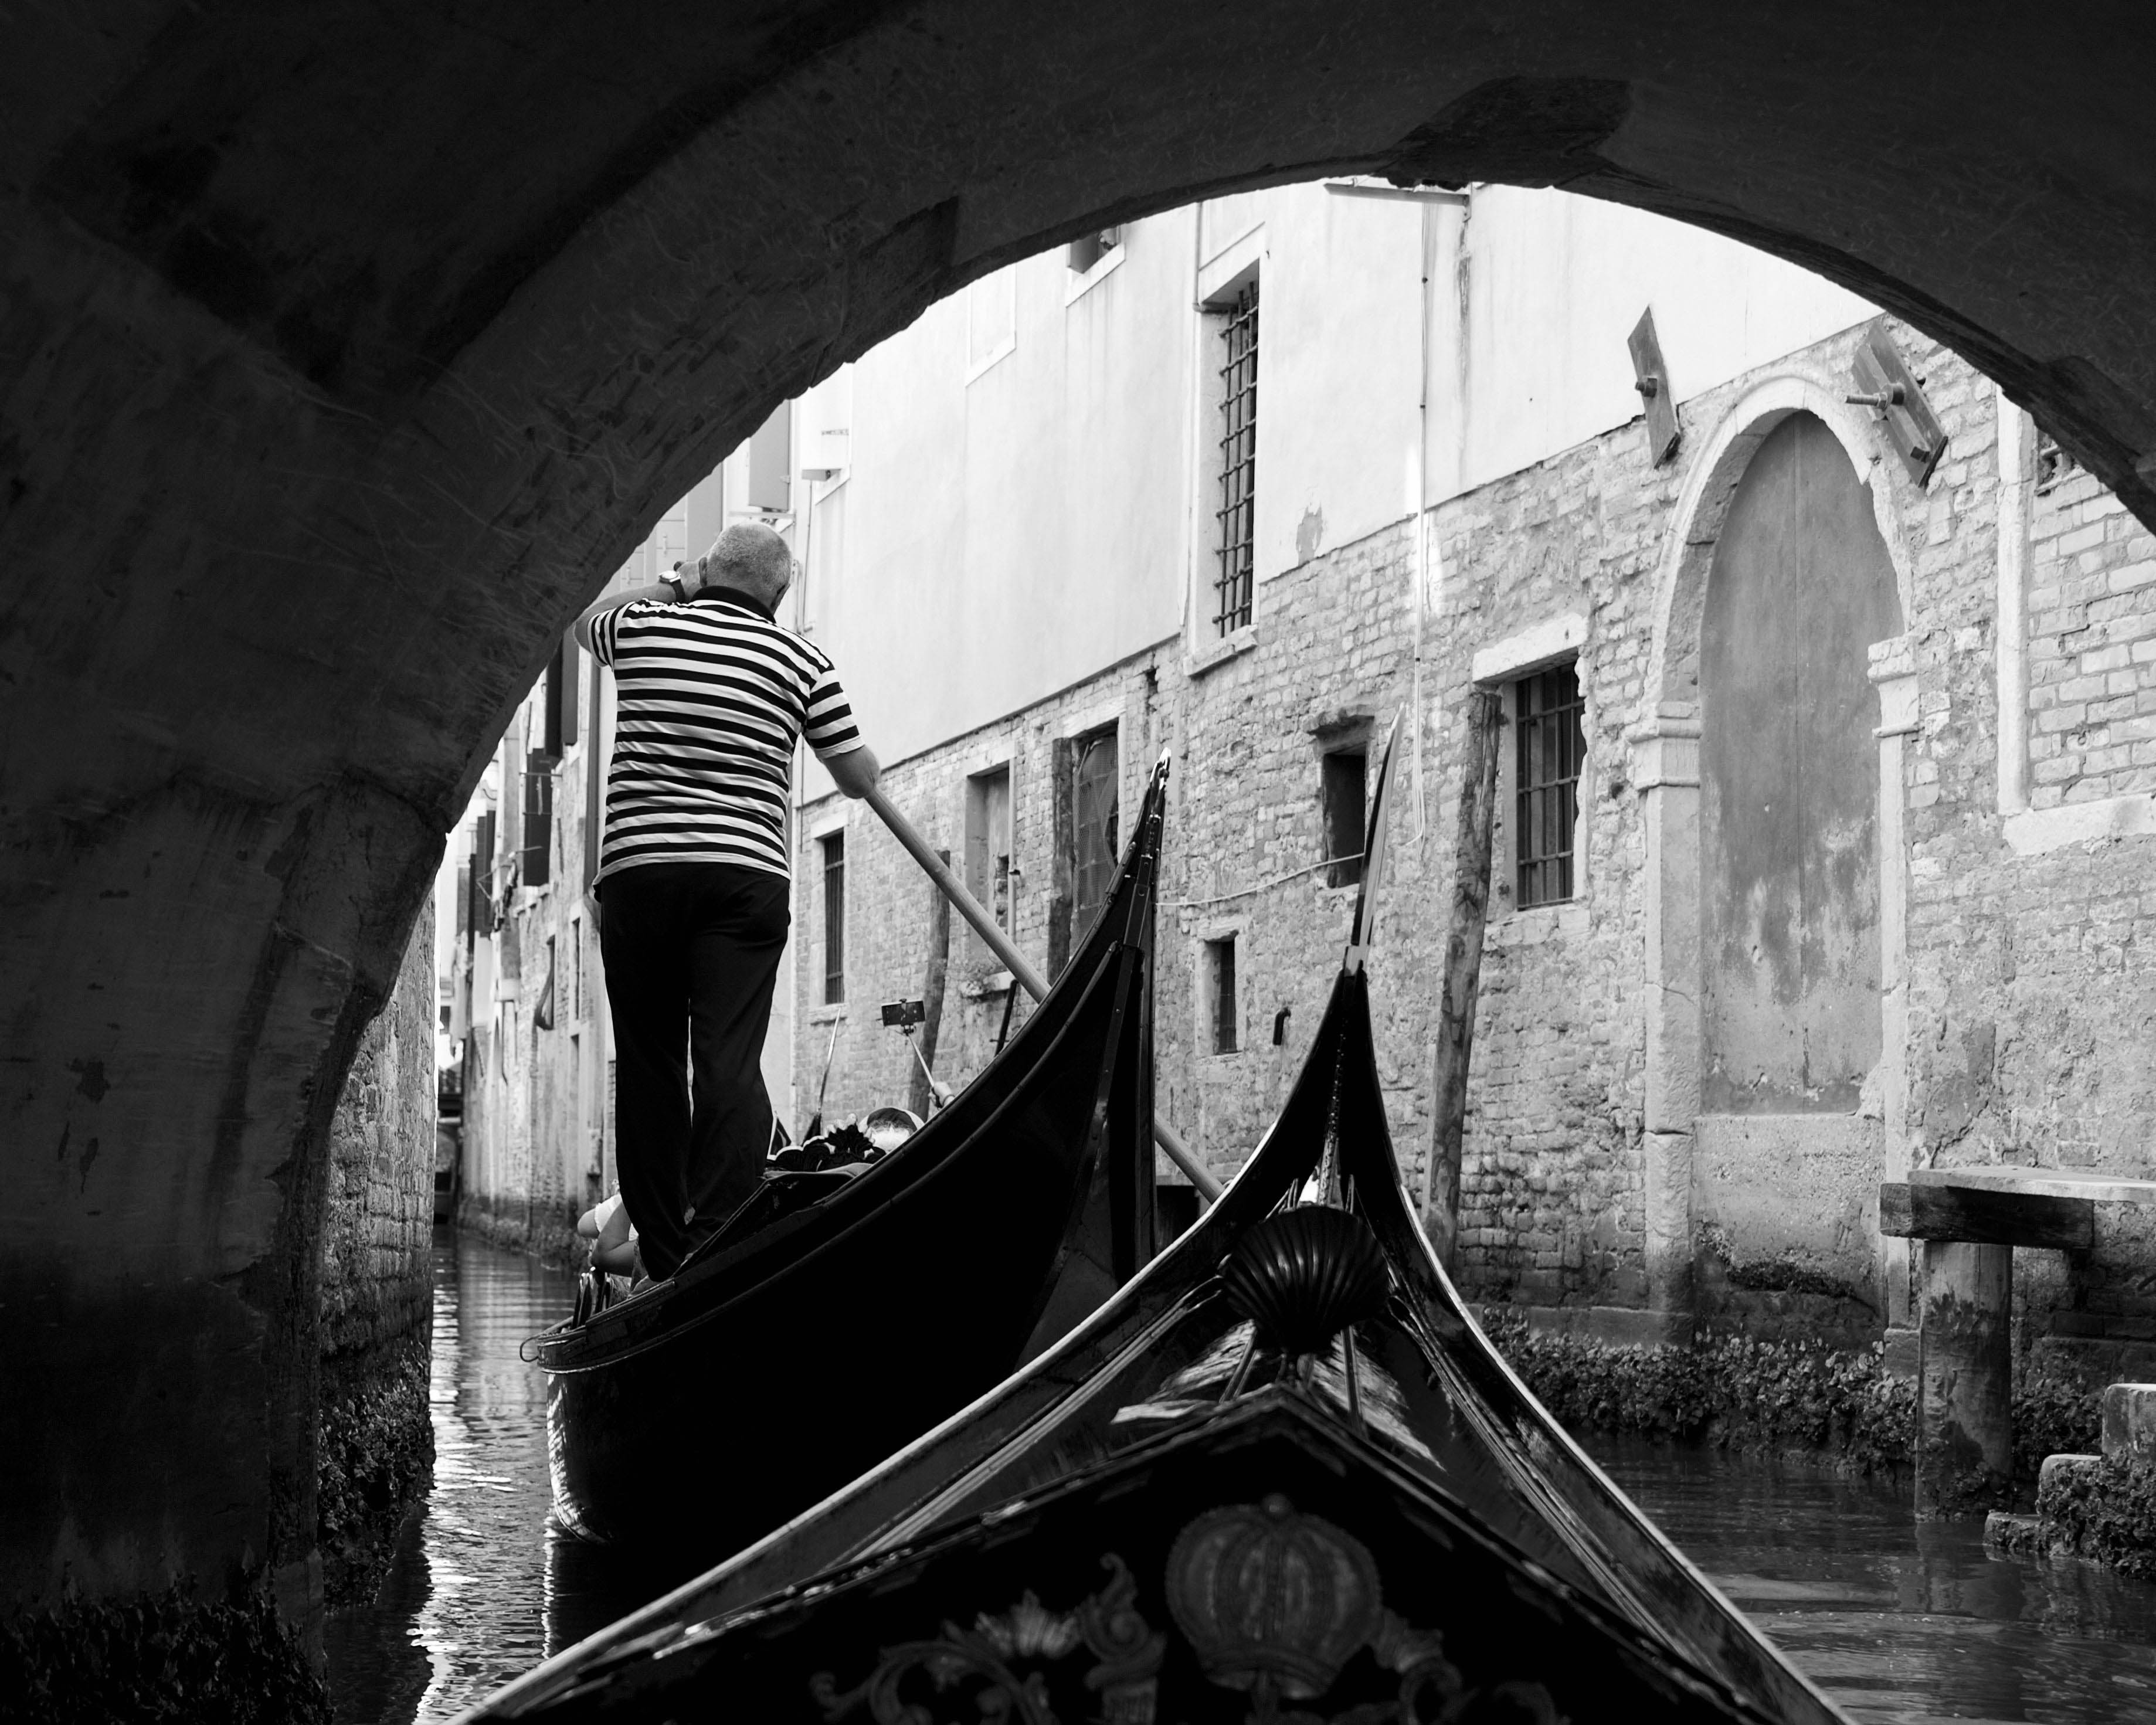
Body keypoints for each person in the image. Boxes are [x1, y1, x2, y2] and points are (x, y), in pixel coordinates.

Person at [573, 523, 880, 1279]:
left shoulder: (645, 627)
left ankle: (665, 1253)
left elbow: (584, 620)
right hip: (743, 881)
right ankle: (718, 1238)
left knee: (648, 1064)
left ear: (708, 571)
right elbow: (856, 776)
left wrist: (677, 584)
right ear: (780, 593)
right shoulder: (800, 661)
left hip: (641, 876)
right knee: (729, 1063)